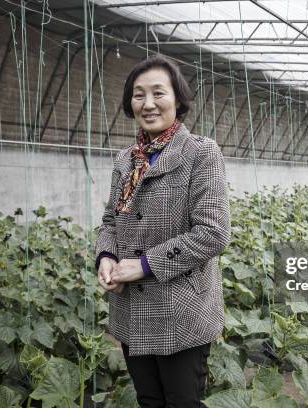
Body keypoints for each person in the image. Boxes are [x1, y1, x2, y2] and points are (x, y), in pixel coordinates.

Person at [94, 54, 231, 408]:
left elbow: (213, 232)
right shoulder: (126, 161)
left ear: (177, 99)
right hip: (130, 311)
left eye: (159, 93)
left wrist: (143, 265)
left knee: (182, 402)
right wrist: (106, 257)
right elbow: (111, 221)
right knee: (149, 400)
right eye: (139, 95)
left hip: (181, 312)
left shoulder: (200, 153)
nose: (148, 103)